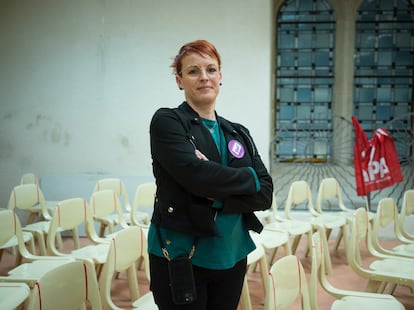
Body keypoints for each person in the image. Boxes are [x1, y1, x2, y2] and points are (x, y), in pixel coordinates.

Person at [148, 39, 273, 310]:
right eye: (193, 71)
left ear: (220, 76)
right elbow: (197, 176)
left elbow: (264, 193)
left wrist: (215, 187)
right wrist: (246, 179)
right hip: (181, 255)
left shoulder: (237, 131)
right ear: (179, 80)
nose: (204, 77)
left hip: (231, 253)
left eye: (211, 69)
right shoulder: (168, 122)